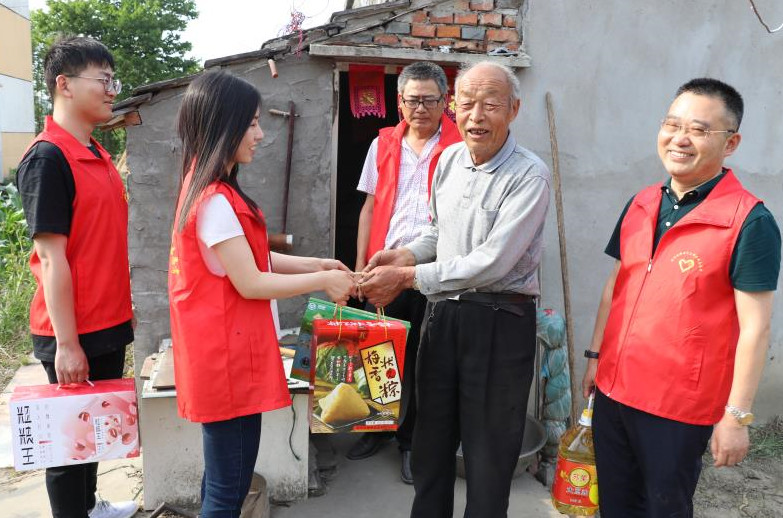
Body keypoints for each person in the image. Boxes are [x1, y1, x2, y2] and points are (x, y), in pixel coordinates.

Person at [581, 78, 780, 517]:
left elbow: (755, 328)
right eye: (672, 124)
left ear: (731, 143)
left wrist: (737, 416)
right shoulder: (642, 202)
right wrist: (596, 355)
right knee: (615, 504)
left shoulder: (748, 221)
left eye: (699, 129)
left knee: (664, 508)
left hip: (677, 406)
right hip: (615, 390)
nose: (680, 138)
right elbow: (617, 284)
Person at [360, 61, 551, 518]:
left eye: (490, 105)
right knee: (431, 442)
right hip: (443, 316)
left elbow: (494, 261)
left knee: (488, 453)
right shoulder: (448, 159)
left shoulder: (530, 176)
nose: (476, 116)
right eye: (466, 104)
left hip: (500, 321)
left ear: (514, 110)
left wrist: (406, 278)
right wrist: (402, 255)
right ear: (454, 107)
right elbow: (435, 231)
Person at [168, 70, 356, 517]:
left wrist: (319, 264)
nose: (260, 134)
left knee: (221, 479)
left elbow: (251, 263)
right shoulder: (214, 200)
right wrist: (321, 283)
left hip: (222, 361)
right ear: (223, 126)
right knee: (226, 493)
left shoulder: (209, 190)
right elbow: (250, 283)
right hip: (227, 367)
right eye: (251, 123)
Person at [15, 36, 137, 518]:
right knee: (67, 444)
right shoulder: (48, 159)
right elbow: (51, 258)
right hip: (73, 329)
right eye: (103, 80)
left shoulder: (98, 154)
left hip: (106, 320)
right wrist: (67, 344)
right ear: (64, 85)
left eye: (113, 80)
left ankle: (89, 508)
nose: (112, 90)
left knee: (94, 430)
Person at [348, 61, 462, 484]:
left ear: (445, 101)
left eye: (430, 99)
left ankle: (412, 443)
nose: (420, 108)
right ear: (399, 102)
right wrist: (360, 265)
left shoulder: (459, 146)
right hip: (386, 264)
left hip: (436, 269)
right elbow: (369, 207)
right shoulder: (382, 145)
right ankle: (375, 429)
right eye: (412, 99)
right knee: (380, 354)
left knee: (425, 363)